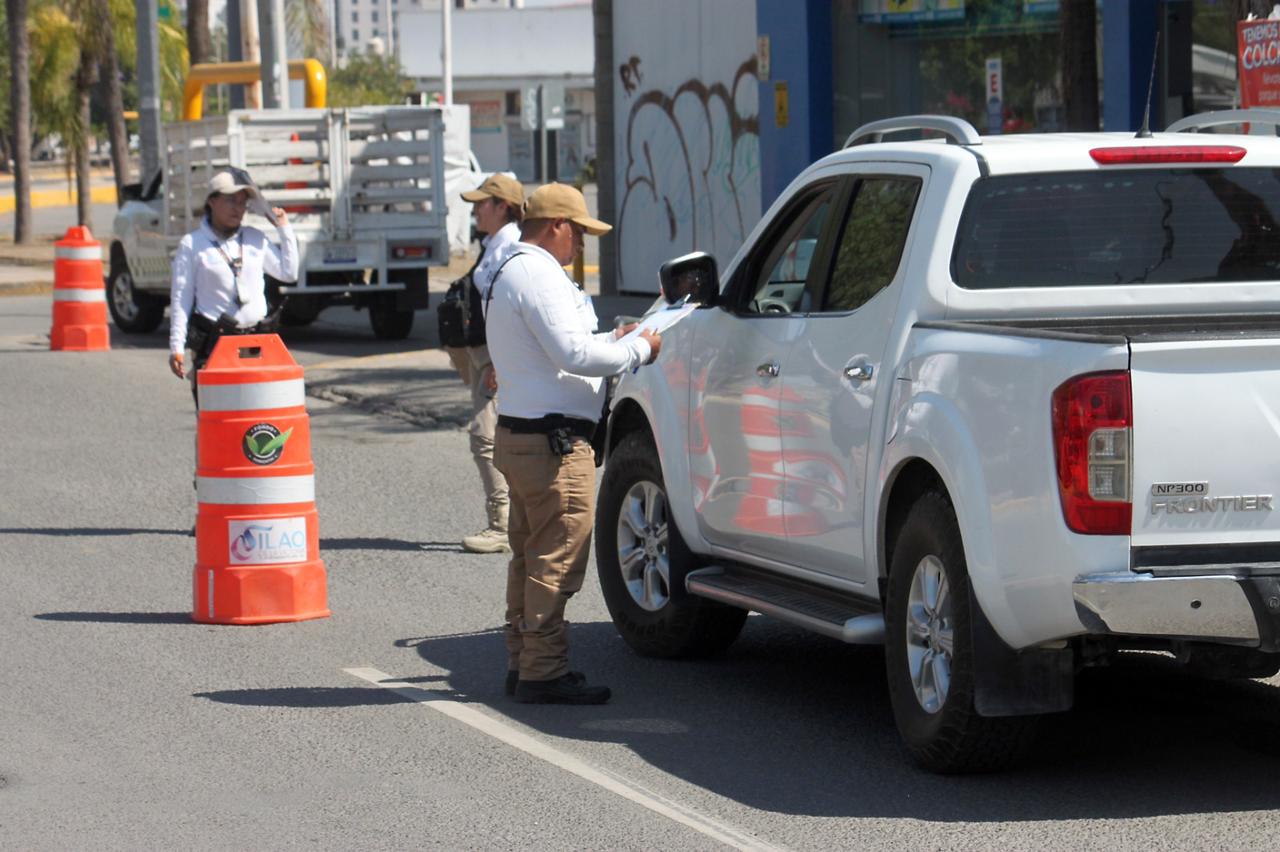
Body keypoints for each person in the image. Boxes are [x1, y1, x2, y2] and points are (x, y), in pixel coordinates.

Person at [485, 183, 662, 705]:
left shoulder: (511, 269)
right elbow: (571, 356)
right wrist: (640, 350)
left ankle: (524, 659)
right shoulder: (538, 273)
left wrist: (615, 339)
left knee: (528, 554)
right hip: (552, 445)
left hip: (525, 435)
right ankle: (543, 670)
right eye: (579, 233)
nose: (581, 245)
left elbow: (564, 348)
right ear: (557, 225)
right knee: (556, 559)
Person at [168, 168, 298, 400]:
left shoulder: (255, 239)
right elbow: (181, 298)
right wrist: (176, 346)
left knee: (258, 420)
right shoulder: (193, 244)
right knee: (217, 423)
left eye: (242, 202)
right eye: (230, 200)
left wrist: (284, 229)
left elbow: (288, 273)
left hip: (258, 344)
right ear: (212, 202)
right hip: (215, 346)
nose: (237, 208)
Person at [456, 173, 525, 554]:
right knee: (495, 435)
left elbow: (510, 309)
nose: (476, 209)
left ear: (503, 207)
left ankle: (502, 525)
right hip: (483, 354)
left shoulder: (511, 246)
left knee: (484, 436)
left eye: (483, 203)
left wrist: (501, 358)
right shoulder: (493, 242)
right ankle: (512, 520)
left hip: (495, 357)